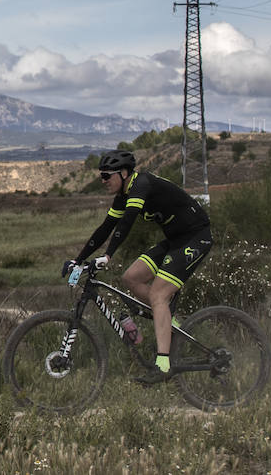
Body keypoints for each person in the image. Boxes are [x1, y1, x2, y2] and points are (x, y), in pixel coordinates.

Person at [62, 149, 212, 385]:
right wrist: (78, 260)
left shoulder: (141, 185)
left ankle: (163, 364)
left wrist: (108, 256)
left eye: (106, 176)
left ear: (123, 173)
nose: (102, 181)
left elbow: (127, 221)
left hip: (196, 236)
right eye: (101, 176)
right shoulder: (123, 195)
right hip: (175, 240)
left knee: (158, 294)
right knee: (130, 277)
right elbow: (106, 228)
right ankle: (169, 322)